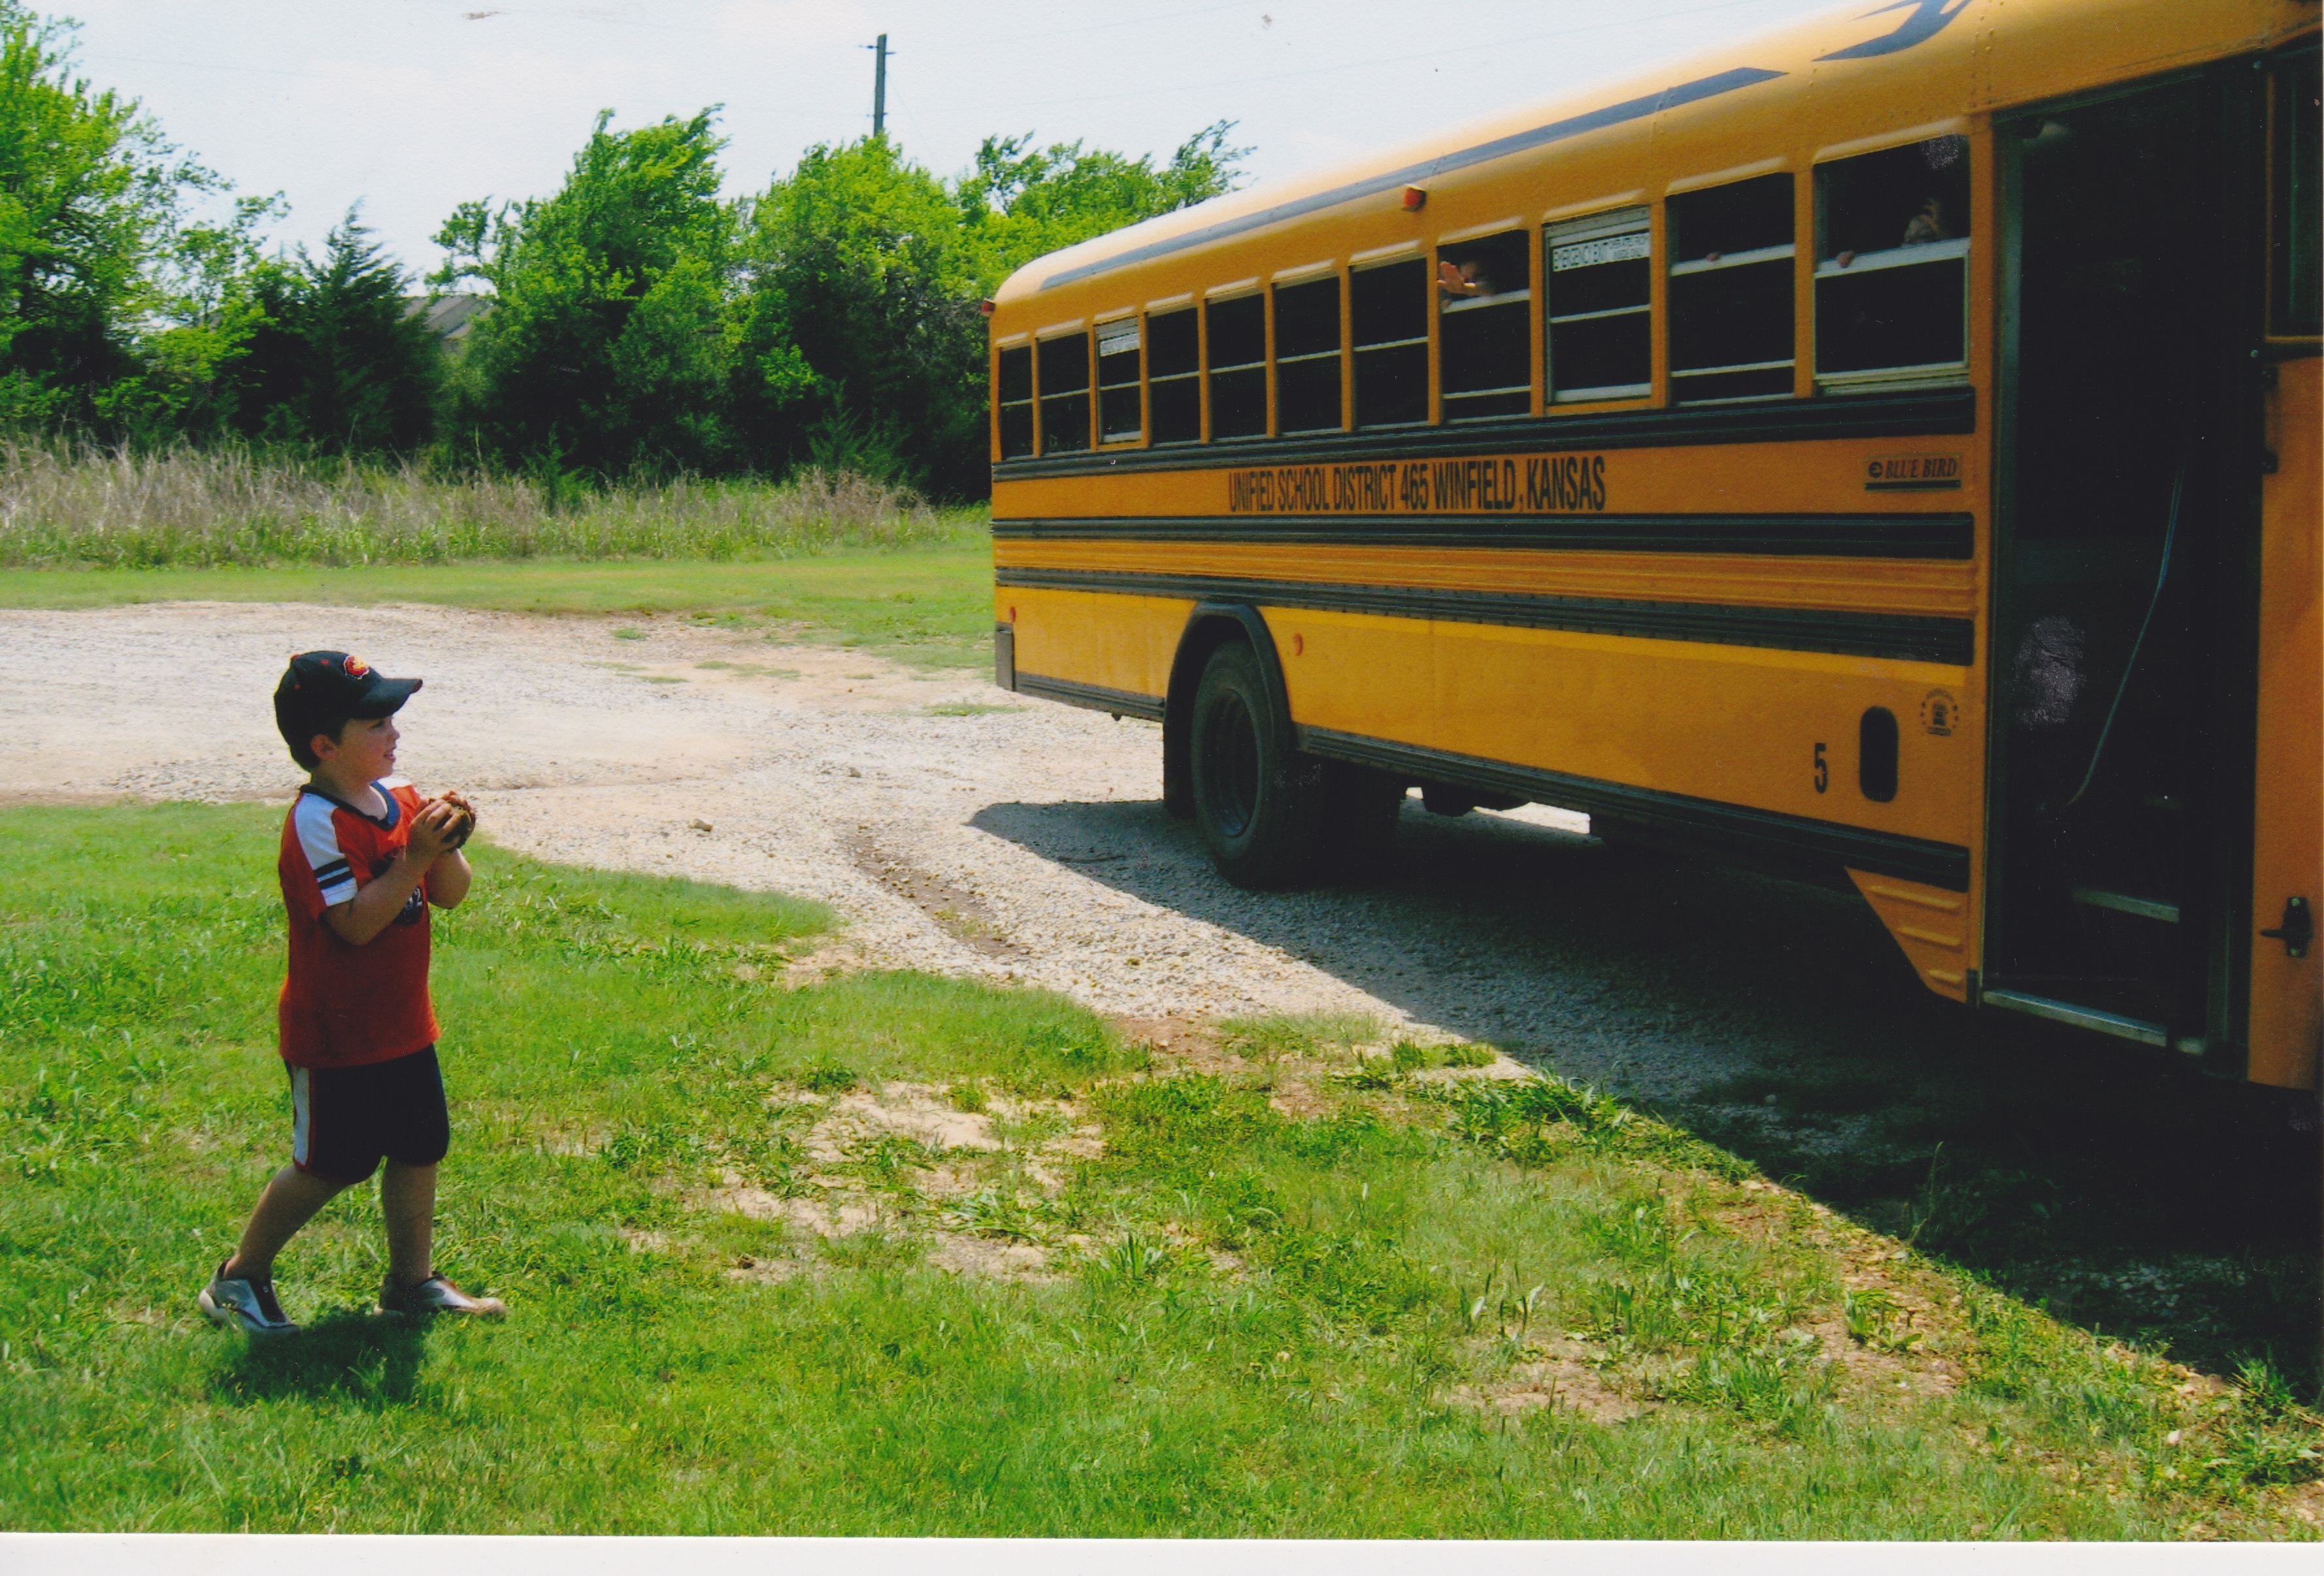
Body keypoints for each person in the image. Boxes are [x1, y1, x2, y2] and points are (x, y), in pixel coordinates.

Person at [196, 650, 505, 1335]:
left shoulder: (403, 799)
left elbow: (450, 896)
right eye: (375, 723)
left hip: (402, 1022)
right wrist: (415, 858)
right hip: (333, 1033)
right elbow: (355, 925)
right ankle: (238, 1278)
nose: (394, 731)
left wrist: (447, 843)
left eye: (392, 716)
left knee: (421, 1145)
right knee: (331, 1163)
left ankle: (411, 1283)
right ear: (325, 746)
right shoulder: (315, 822)